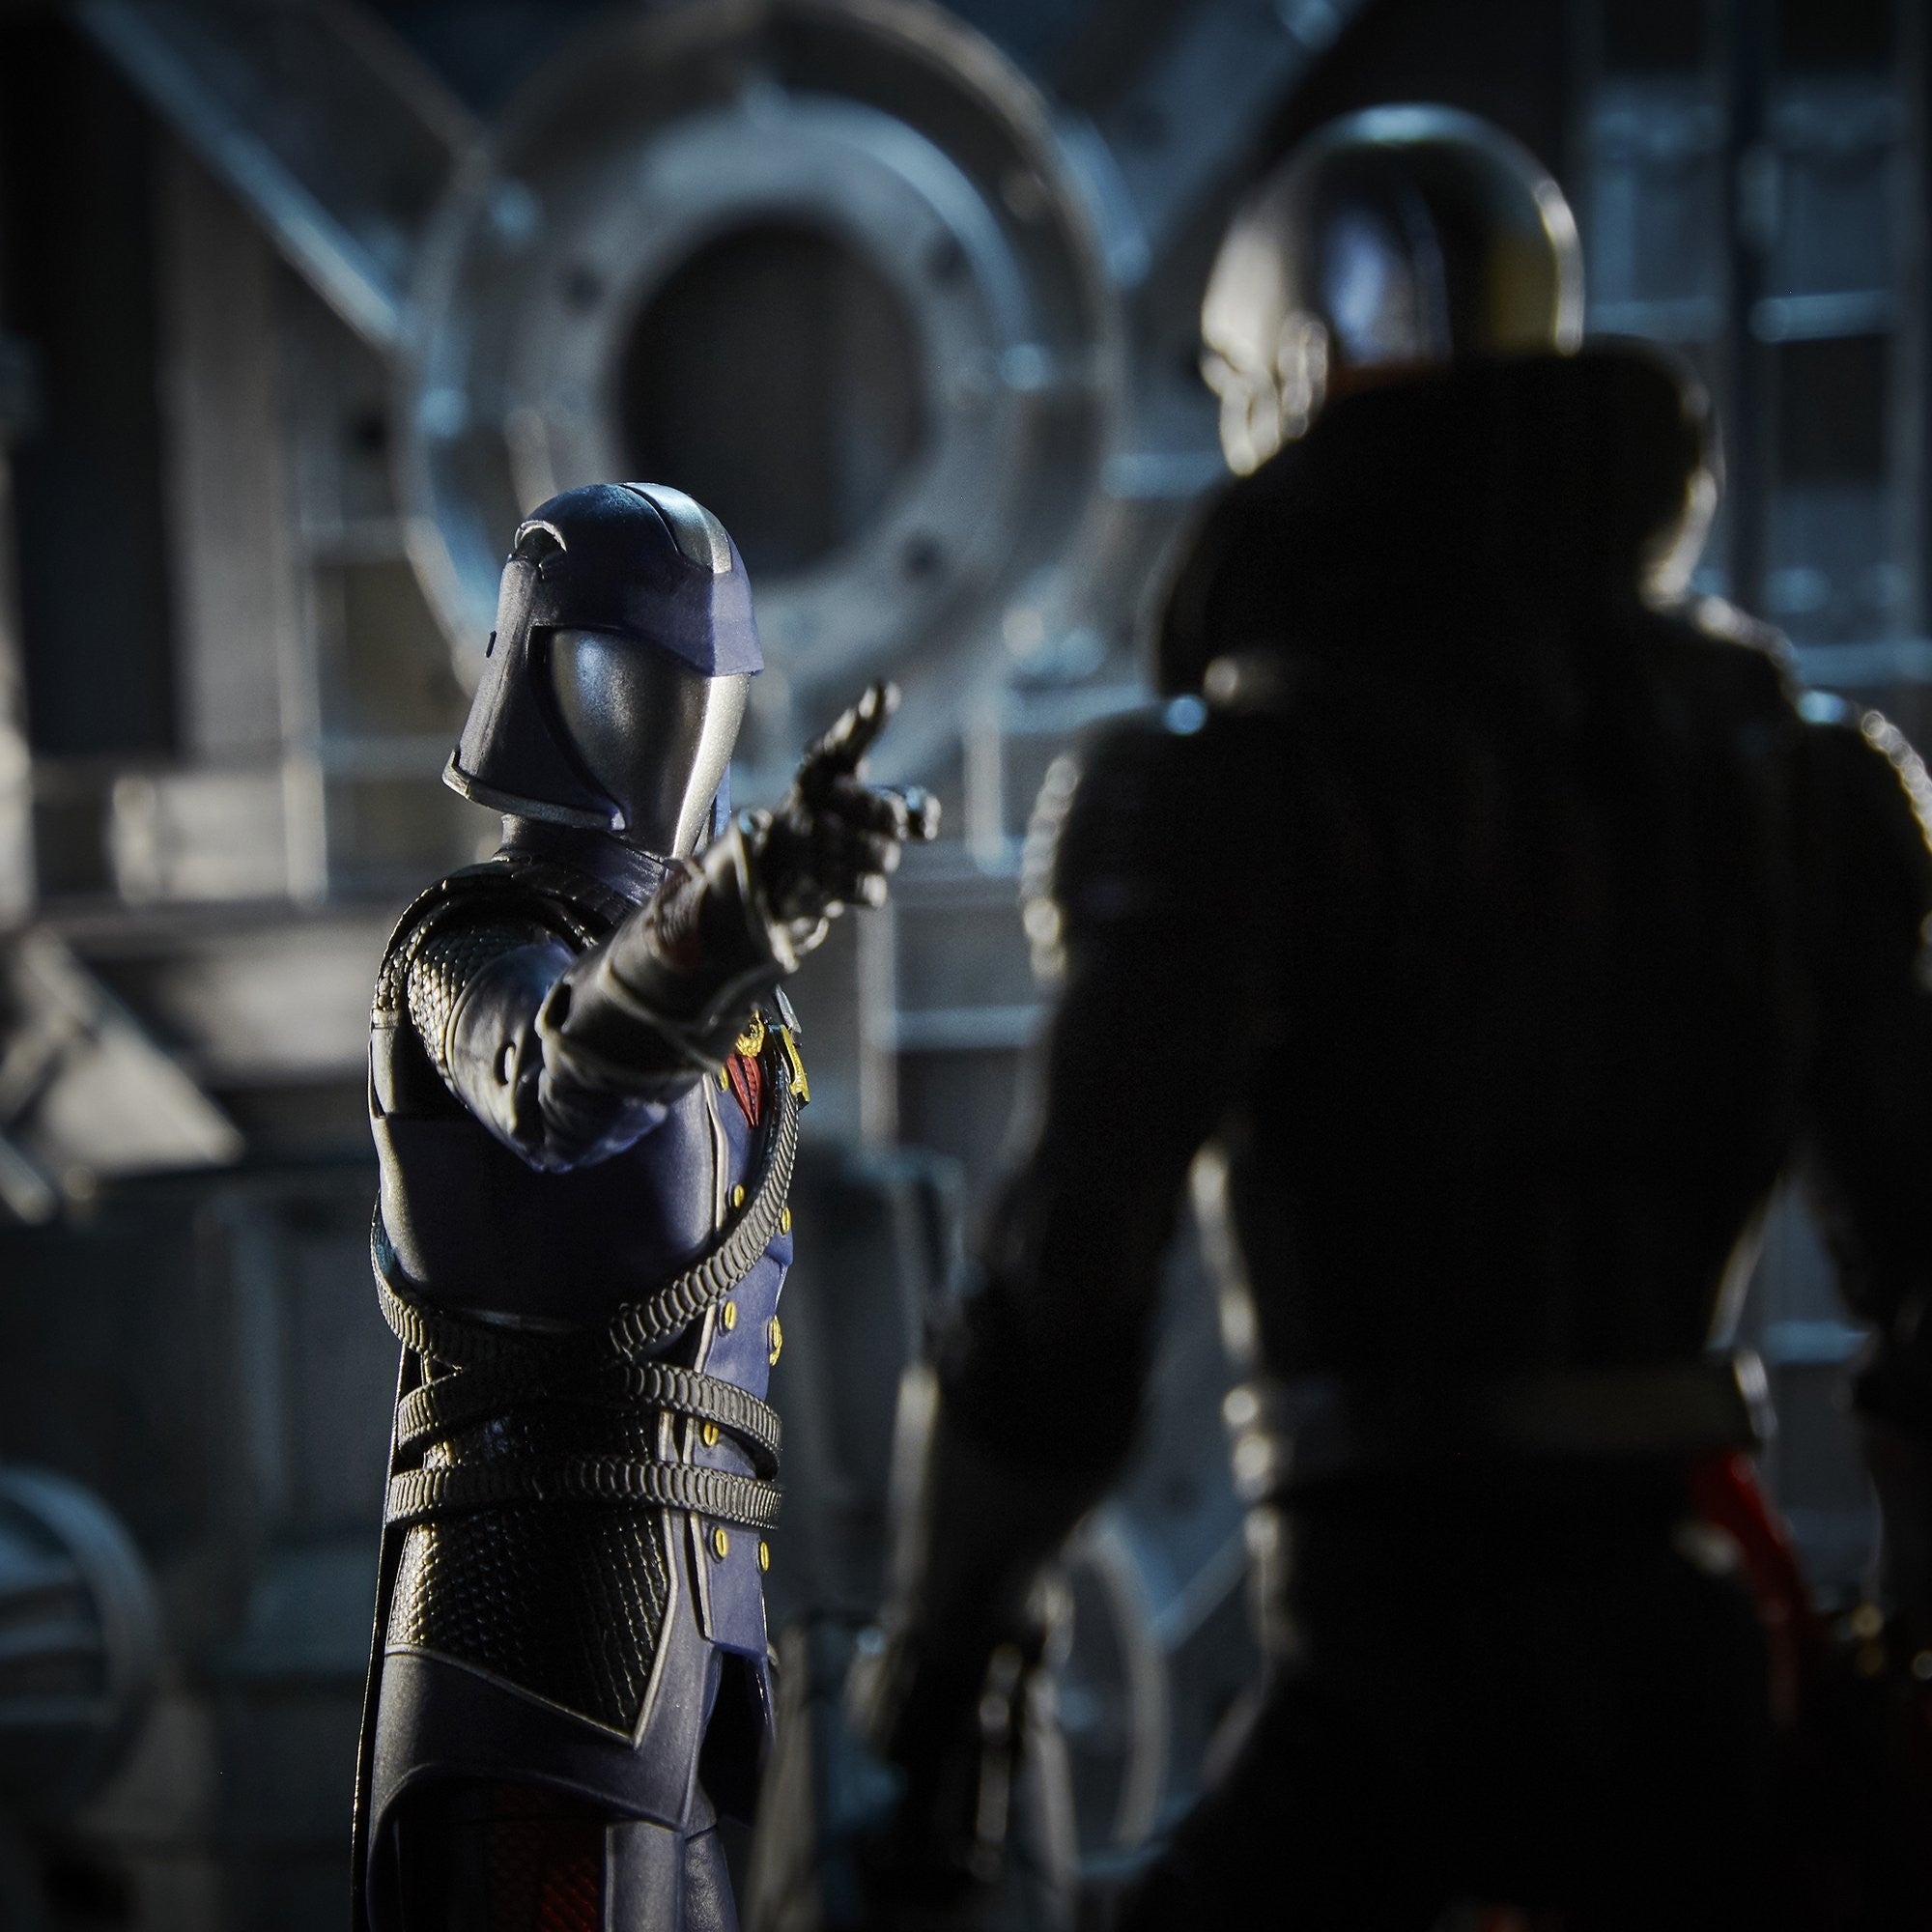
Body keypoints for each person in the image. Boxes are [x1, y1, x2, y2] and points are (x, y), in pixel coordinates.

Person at [850, 107, 1932, 1928]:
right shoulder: (1787, 772)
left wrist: (939, 1683)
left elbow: (1067, 1282)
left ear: (1292, 374)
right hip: (1686, 1690)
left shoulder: (1238, 785)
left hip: (1386, 1697)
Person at [351, 480, 935, 1932]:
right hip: (528, 1645)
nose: (690, 717)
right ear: (548, 674)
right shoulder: (469, 944)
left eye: (713, 682)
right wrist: (734, 917)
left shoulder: (728, 1002)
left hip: (695, 1663)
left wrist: (735, 923)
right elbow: (556, 1084)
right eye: (654, 670)